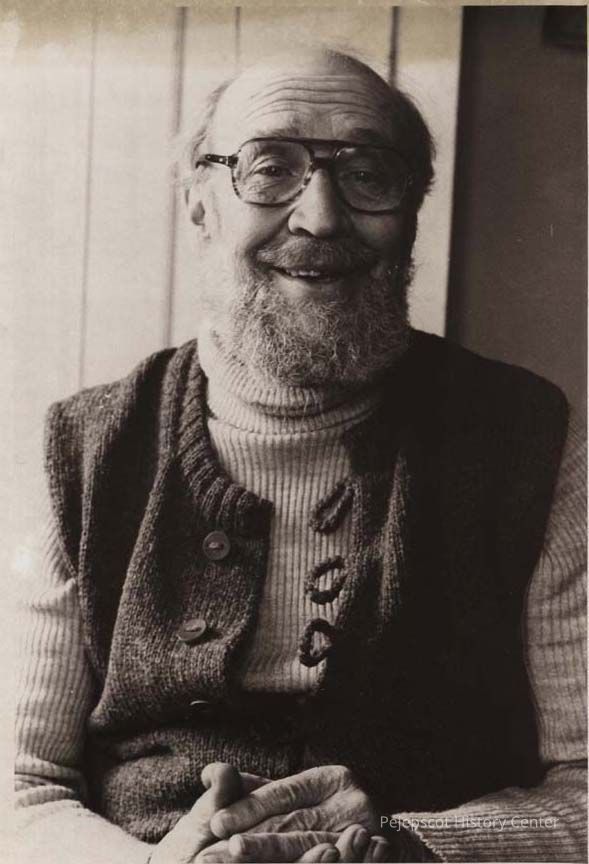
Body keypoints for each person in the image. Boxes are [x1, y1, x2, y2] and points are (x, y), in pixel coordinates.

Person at [15, 47, 586, 864]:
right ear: (199, 205)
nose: (319, 216)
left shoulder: (533, 439)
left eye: (368, 174)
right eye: (269, 168)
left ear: (411, 211)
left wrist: (414, 848)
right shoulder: (82, 450)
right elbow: (21, 789)